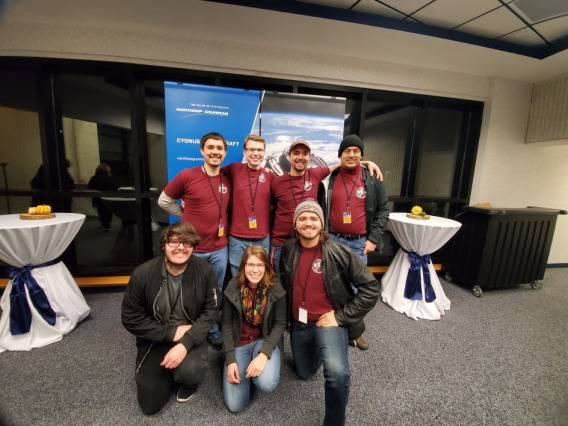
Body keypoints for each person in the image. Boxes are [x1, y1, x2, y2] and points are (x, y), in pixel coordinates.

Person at [280, 201, 380, 426]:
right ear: (295, 225)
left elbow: (371, 288)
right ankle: (319, 347)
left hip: (329, 322)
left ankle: (334, 422)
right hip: (299, 323)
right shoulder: (287, 249)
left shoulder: (339, 252)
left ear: (321, 224)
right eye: (303, 218)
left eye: (314, 218)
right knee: (304, 373)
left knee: (337, 374)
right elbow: (284, 285)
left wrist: (340, 317)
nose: (308, 223)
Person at [121, 222, 219, 415]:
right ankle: (165, 372)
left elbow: (211, 311)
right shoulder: (142, 274)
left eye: (187, 243)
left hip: (190, 335)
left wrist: (185, 344)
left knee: (189, 372)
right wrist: (171, 333)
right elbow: (130, 318)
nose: (181, 247)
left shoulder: (205, 272)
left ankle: (187, 381)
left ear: (192, 246)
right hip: (155, 337)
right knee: (150, 406)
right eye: (174, 242)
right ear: (163, 245)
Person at [158, 131, 231, 351]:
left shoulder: (227, 178)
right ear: (202, 150)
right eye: (210, 147)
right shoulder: (187, 175)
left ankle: (212, 329)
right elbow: (163, 200)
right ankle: (187, 328)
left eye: (219, 148)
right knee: (189, 290)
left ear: (225, 152)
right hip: (193, 249)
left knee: (215, 290)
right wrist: (184, 214)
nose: (215, 152)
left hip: (220, 248)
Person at [270, 141, 383, 276]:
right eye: (296, 153)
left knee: (302, 280)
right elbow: (270, 209)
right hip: (280, 244)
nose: (300, 157)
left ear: (310, 157)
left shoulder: (315, 174)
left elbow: (344, 163)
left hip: (305, 243)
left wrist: (367, 163)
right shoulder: (277, 182)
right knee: (279, 281)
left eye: (305, 154)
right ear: (289, 156)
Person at [318, 134, 389, 350]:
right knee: (330, 283)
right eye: (347, 151)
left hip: (360, 243)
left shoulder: (372, 179)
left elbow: (383, 210)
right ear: (340, 155)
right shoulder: (330, 178)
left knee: (356, 287)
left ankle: (354, 330)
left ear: (361, 155)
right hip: (333, 240)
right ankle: (336, 326)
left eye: (356, 151)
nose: (351, 154)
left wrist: (374, 239)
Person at [221, 245, 286, 413]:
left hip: (264, 339)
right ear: (243, 266)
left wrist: (264, 355)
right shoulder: (233, 287)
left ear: (266, 267)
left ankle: (255, 368)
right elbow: (226, 324)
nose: (255, 270)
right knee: (235, 405)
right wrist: (230, 360)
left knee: (266, 382)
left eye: (260, 265)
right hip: (239, 342)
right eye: (250, 265)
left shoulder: (275, 288)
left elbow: (280, 325)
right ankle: (244, 366)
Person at [222, 135, 274, 279]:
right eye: (251, 149)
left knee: (260, 278)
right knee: (238, 278)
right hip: (236, 238)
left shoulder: (270, 176)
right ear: (244, 152)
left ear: (264, 153)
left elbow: (276, 202)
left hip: (262, 238)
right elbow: (212, 178)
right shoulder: (233, 169)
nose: (255, 153)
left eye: (259, 150)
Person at [88, 163, 118, 230]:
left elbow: (90, 187)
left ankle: (103, 222)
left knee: (100, 210)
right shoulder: (110, 179)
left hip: (98, 198)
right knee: (108, 211)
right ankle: (107, 224)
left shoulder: (94, 178)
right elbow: (115, 188)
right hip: (108, 198)